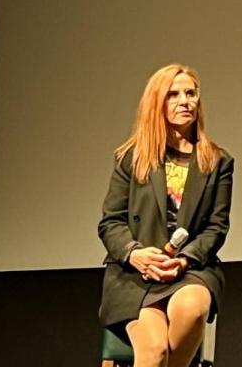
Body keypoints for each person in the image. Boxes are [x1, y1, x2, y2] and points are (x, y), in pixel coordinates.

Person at [98, 64, 234, 367]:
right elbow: (111, 222)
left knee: (191, 308)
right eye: (173, 94)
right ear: (157, 103)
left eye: (190, 93)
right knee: (155, 351)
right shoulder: (131, 158)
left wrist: (184, 259)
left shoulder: (217, 160)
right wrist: (135, 254)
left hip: (189, 269)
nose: (184, 101)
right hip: (136, 273)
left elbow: (216, 226)